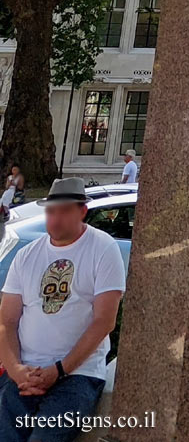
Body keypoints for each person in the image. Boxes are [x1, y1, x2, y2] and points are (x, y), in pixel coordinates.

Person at [0, 176, 125, 437]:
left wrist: (59, 370)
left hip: (77, 374)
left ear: (82, 212)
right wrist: (16, 369)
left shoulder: (103, 249)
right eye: (51, 211)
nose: (55, 219)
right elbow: (7, 320)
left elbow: (104, 321)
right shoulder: (27, 254)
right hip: (24, 372)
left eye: (64, 211)